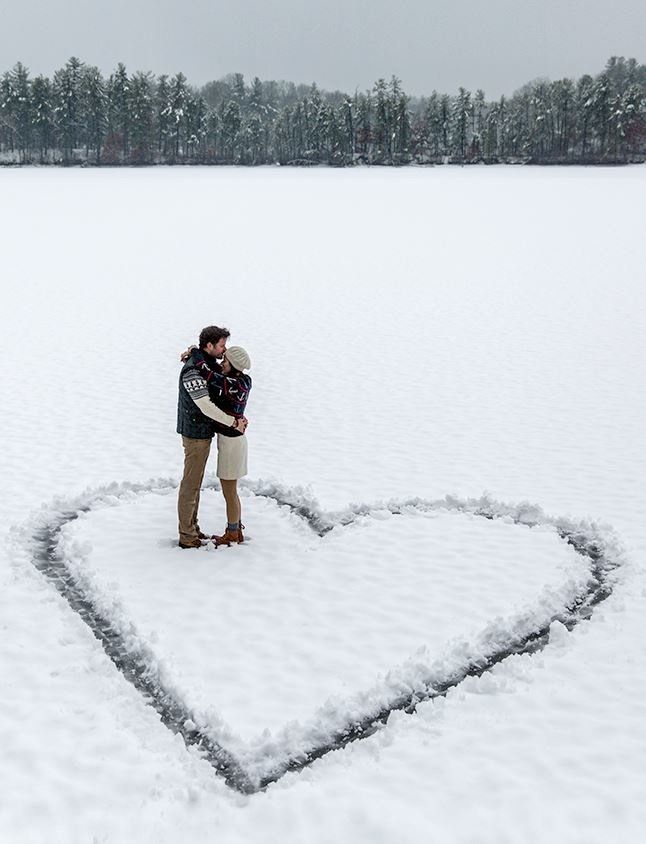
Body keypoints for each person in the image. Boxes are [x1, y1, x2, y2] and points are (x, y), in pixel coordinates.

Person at [177, 326, 247, 549]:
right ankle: (187, 536)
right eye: (221, 346)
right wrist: (234, 422)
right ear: (209, 346)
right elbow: (205, 406)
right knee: (190, 485)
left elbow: (219, 374)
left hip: (203, 431)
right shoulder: (193, 371)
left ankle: (193, 528)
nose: (224, 351)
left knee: (195, 484)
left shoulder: (205, 363)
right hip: (195, 434)